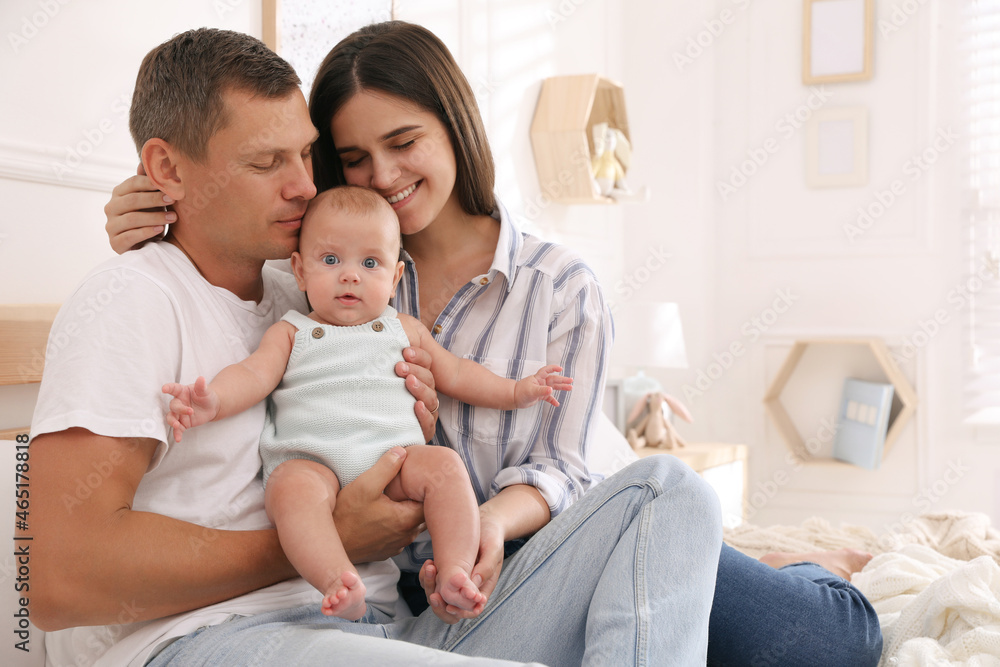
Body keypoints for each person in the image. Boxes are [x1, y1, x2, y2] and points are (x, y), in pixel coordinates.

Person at [101, 22, 883, 666]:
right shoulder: (326, 270)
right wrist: (140, 206)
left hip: (545, 534)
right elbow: (210, 226)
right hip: (421, 591)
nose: (385, 175)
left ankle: (802, 568)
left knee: (819, 639)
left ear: (455, 123)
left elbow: (565, 468)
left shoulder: (558, 283)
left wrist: (484, 531)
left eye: (405, 140)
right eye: (354, 159)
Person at [162, 185, 572, 620]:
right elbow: (253, 375)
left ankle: (456, 572)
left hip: (394, 462)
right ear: (299, 271)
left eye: (370, 263)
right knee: (289, 491)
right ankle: (338, 581)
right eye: (331, 260)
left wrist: (516, 391)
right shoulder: (292, 331)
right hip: (313, 461)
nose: (350, 275)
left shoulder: (404, 329)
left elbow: (456, 374)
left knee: (446, 467)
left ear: (394, 278)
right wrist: (213, 402)